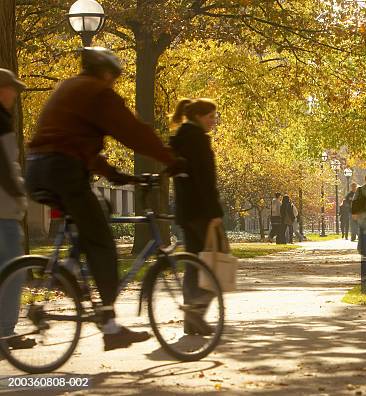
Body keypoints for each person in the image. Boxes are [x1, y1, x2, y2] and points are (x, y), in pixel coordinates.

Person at [25, 47, 184, 350]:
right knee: (102, 243)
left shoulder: (69, 88)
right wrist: (169, 159)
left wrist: (115, 174)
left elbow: (76, 143)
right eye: (114, 76)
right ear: (107, 72)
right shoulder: (98, 93)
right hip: (63, 170)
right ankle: (110, 326)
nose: (113, 82)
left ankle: (70, 267)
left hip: (39, 170)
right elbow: (133, 132)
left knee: (101, 208)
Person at [169, 98, 223, 335]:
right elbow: (205, 180)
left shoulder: (180, 139)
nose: (213, 121)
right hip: (201, 211)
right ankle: (197, 311)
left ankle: (191, 322)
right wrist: (214, 212)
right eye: (211, 116)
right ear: (199, 117)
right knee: (218, 263)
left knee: (193, 265)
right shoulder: (198, 140)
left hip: (186, 211)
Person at [0, 69, 35, 350]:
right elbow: (5, 167)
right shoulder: (1, 120)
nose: (16, 95)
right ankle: (6, 333)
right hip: (3, 209)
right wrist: (19, 194)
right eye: (13, 89)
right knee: (14, 272)